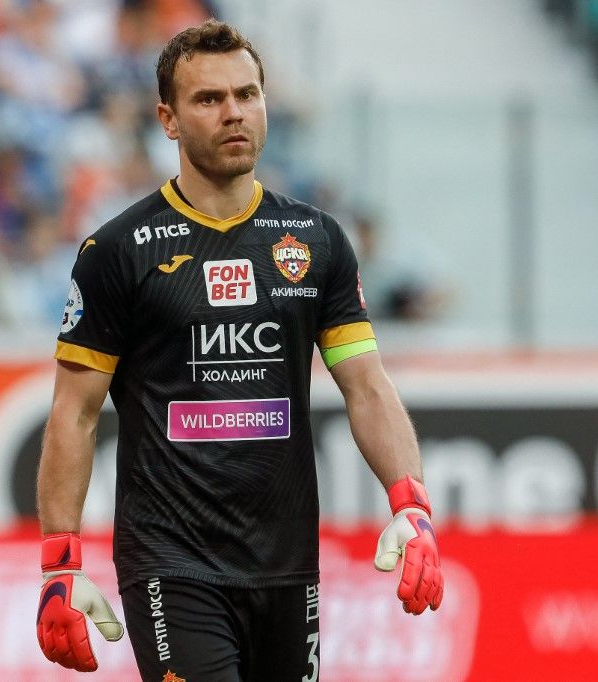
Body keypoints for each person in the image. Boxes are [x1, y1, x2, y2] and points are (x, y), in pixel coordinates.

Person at [35, 19, 443, 680]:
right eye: (209, 99)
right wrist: (59, 561)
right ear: (167, 119)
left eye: (247, 94)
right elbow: (73, 413)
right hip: (172, 561)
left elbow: (366, 385)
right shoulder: (117, 252)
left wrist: (411, 505)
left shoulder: (316, 242)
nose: (234, 113)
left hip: (285, 563)